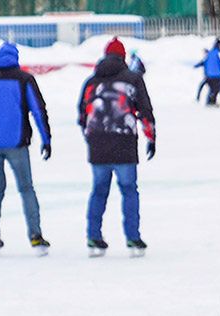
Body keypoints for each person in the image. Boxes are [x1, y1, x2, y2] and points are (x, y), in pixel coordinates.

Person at [0, 41, 53, 255]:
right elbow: (38, 110)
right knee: (26, 188)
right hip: (16, 142)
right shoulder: (23, 79)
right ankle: (35, 237)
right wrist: (46, 139)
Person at [78, 37, 155, 257]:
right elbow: (145, 110)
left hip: (98, 143)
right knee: (129, 190)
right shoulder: (133, 79)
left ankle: (93, 237)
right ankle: (133, 238)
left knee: (99, 190)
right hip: (124, 143)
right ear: (123, 57)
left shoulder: (91, 82)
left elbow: (82, 114)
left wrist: (90, 137)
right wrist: (151, 138)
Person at [196, 38, 220, 106]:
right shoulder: (217, 53)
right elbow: (219, 63)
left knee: (212, 88)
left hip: (209, 75)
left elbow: (205, 62)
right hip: (217, 75)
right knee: (217, 88)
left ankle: (209, 100)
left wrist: (197, 66)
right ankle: (212, 101)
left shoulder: (210, 53)